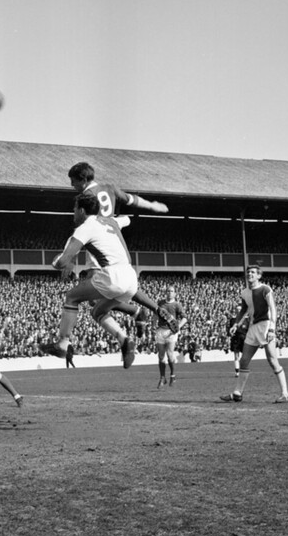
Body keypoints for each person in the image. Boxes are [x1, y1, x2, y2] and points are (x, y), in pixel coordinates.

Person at [67, 162, 178, 331]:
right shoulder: (109, 187)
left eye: (73, 181)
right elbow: (131, 200)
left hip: (97, 244)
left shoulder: (85, 197)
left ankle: (135, 313)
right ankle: (151, 309)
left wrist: (70, 259)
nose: (72, 185)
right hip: (114, 236)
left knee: (93, 297)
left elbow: (82, 230)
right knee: (125, 286)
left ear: (82, 180)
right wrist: (152, 205)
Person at [40, 191, 139, 368]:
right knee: (97, 312)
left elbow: (62, 261)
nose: (73, 213)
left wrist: (56, 262)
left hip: (113, 275)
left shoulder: (86, 227)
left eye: (74, 209)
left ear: (82, 211)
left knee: (72, 297)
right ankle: (124, 340)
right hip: (131, 277)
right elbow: (127, 219)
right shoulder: (110, 221)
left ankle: (62, 344)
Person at [219, 265, 288, 404]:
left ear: (259, 276)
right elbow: (243, 310)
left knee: (272, 361)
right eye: (248, 272)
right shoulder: (244, 292)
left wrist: (272, 329)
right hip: (253, 328)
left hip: (265, 325)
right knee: (244, 360)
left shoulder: (265, 289)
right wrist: (236, 324)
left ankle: (285, 394)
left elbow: (273, 309)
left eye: (253, 272)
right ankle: (237, 393)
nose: (249, 274)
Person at [155, 285, 187, 388]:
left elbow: (185, 318)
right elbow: (155, 315)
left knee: (169, 355)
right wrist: (152, 324)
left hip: (171, 332)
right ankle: (162, 378)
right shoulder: (160, 303)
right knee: (160, 356)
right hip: (160, 330)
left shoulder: (177, 305)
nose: (169, 292)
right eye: (168, 291)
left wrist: (178, 327)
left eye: (171, 291)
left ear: (175, 293)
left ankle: (172, 376)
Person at [227, 308, 249, 377]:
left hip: (244, 339)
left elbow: (249, 330)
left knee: (244, 356)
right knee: (236, 356)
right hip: (236, 339)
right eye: (237, 310)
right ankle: (237, 372)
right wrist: (230, 334)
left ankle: (243, 370)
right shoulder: (233, 320)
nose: (238, 311)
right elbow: (229, 331)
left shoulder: (247, 320)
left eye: (240, 310)